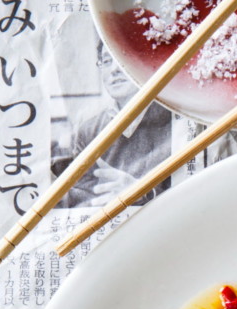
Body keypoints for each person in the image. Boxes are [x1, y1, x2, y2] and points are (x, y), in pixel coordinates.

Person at [55, 42, 173, 208]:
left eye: (122, 58)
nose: (114, 70)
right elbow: (84, 191)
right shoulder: (88, 130)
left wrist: (143, 193)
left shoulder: (175, 119)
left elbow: (194, 189)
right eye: (107, 61)